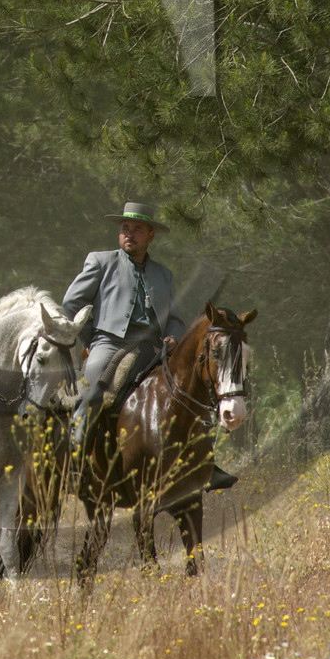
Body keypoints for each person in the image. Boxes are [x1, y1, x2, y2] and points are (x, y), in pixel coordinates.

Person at [62, 200, 237, 491]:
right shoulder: (100, 261)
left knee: (192, 390)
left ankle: (204, 464)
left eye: (137, 230)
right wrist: (90, 339)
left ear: (150, 236)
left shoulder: (163, 275)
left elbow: (176, 320)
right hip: (108, 343)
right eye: (125, 229)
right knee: (91, 390)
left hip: (153, 349)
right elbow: (71, 304)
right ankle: (75, 458)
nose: (129, 234)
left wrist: (172, 337)